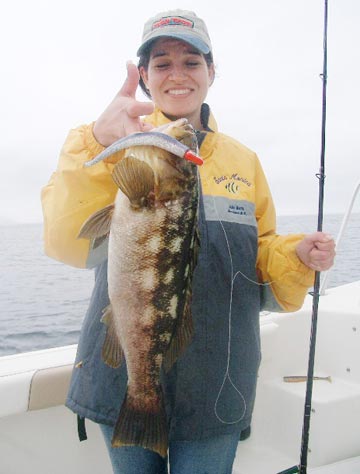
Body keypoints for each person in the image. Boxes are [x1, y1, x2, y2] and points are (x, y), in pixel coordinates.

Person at [41, 9, 335, 474]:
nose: (177, 74)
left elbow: (260, 255)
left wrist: (294, 256)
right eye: (161, 63)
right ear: (143, 77)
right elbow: (64, 240)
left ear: (212, 71)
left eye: (192, 62)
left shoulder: (245, 161)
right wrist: (97, 140)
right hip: (124, 376)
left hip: (217, 378)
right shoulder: (116, 145)